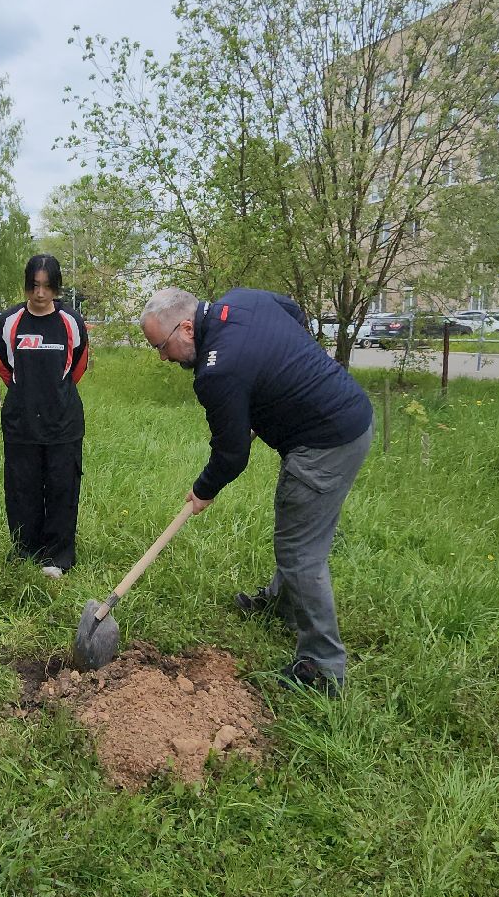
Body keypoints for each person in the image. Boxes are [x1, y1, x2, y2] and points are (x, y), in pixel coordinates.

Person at [139, 286, 374, 696]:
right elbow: (294, 313)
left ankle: (322, 667)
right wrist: (273, 379)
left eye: (162, 346)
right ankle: (282, 605)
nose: (163, 357)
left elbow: (232, 454)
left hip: (325, 443)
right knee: (298, 531)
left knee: (300, 552)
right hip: (349, 416)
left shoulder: (217, 372)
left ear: (188, 328)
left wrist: (203, 490)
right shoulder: (243, 299)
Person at [0, 254, 90, 578]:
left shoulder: (71, 322)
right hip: (21, 423)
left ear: (56, 288)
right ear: (26, 285)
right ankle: (25, 550)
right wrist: (26, 394)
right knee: (22, 489)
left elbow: (77, 367)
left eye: (47, 287)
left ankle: (58, 557)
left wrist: (55, 395)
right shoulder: (8, 322)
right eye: (34, 286)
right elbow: (3, 365)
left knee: (63, 488)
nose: (40, 294)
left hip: (63, 423)